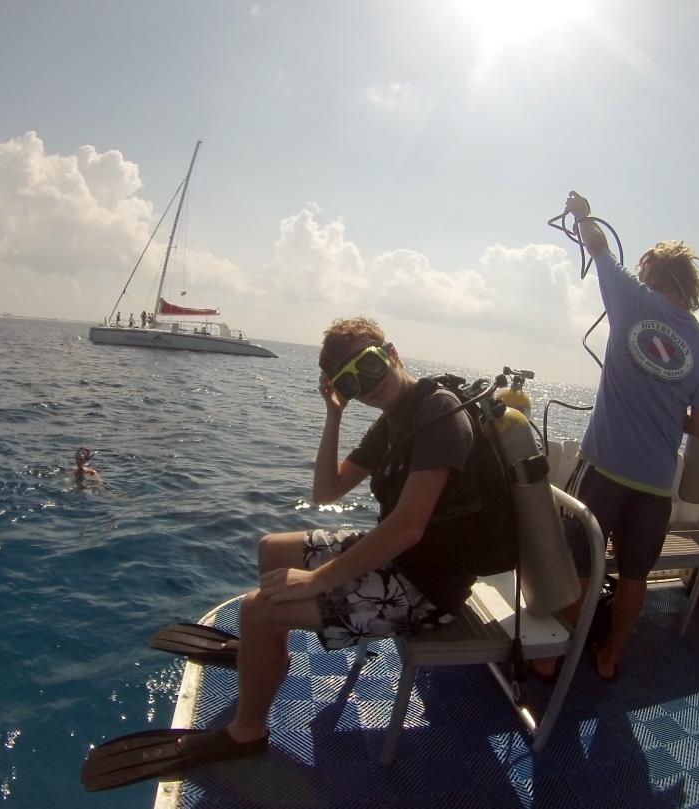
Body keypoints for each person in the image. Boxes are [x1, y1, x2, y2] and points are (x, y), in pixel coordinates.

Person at [80, 317, 512, 791]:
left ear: (391, 354)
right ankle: (263, 656)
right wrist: (334, 415)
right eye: (350, 383)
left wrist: (318, 579)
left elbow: (407, 528)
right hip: (400, 559)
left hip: (429, 587)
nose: (366, 387)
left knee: (259, 610)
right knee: (272, 549)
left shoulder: (438, 415)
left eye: (369, 367)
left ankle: (246, 734)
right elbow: (327, 491)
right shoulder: (394, 421)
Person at [534, 192, 699, 683]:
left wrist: (582, 210)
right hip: (656, 487)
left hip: (603, 470)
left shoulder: (629, 298)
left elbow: (596, 244)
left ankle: (553, 658)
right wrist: (671, 411)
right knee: (635, 575)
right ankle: (611, 656)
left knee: (578, 564)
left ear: (652, 274)